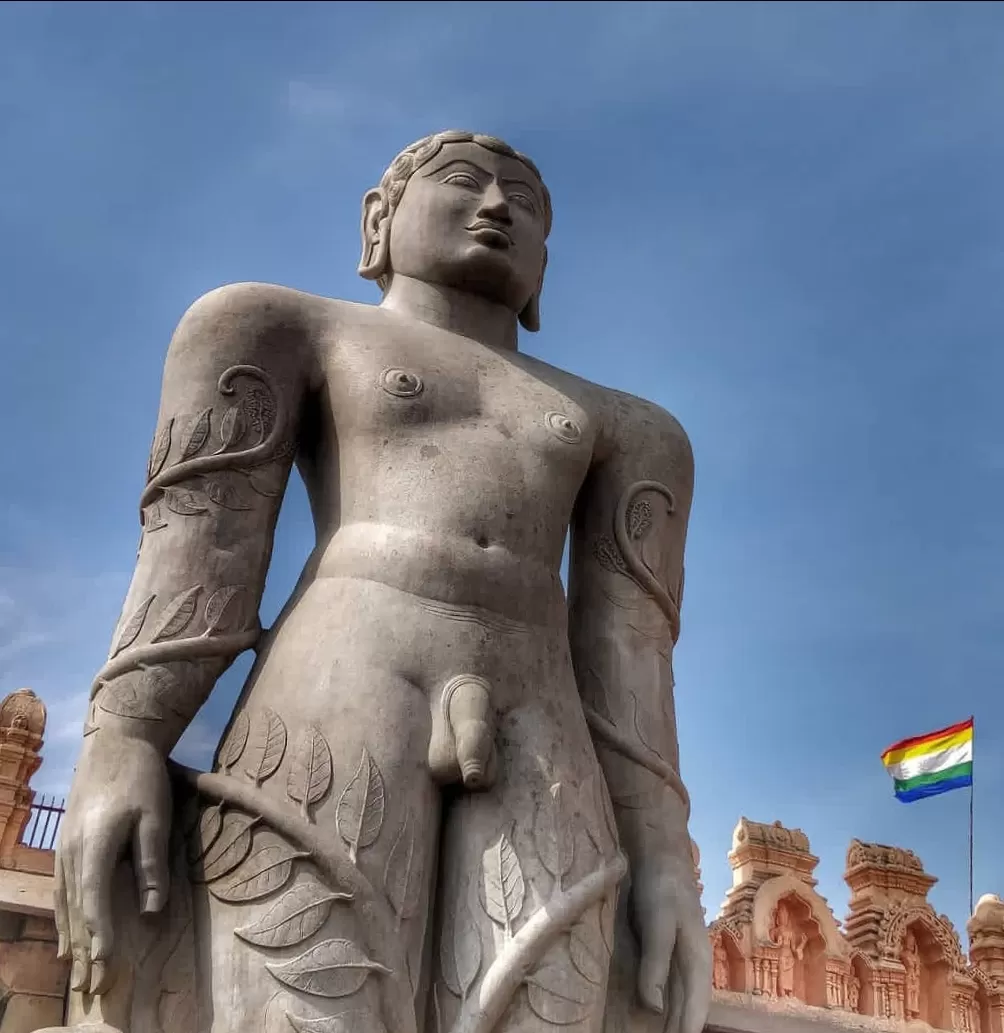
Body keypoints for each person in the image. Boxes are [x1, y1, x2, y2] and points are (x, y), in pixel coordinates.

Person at [50, 130, 710, 1033]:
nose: (495, 207)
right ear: (379, 221)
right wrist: (122, 738)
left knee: (546, 998)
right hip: (341, 680)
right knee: (310, 994)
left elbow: (631, 654)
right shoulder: (278, 328)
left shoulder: (632, 430)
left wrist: (665, 853)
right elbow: (201, 548)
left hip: (540, 717)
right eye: (463, 181)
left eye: (524, 201)